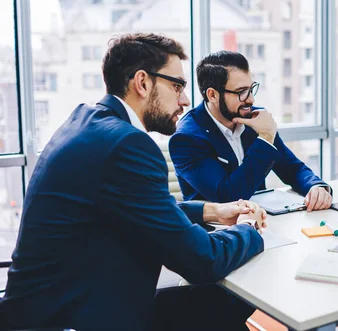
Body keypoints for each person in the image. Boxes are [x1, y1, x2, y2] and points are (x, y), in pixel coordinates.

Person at [0, 33, 267, 331]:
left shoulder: (85, 121)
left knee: (222, 303)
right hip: (72, 317)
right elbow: (202, 261)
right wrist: (249, 229)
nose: (186, 100)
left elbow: (140, 206)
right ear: (142, 82)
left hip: (47, 307)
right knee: (221, 303)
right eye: (177, 86)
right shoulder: (127, 145)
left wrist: (212, 212)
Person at [169, 51, 332, 211]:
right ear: (212, 95)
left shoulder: (253, 118)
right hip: (217, 231)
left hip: (263, 220)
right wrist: (265, 137)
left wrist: (315, 186)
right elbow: (227, 196)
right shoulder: (187, 139)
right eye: (241, 92)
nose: (251, 99)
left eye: (251, 89)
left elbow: (292, 168)